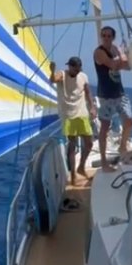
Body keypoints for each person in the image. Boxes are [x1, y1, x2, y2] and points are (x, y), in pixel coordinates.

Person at [49, 56, 96, 186]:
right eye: (75, 69)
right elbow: (53, 79)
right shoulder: (62, 75)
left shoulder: (83, 76)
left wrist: (92, 107)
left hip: (82, 113)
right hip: (68, 115)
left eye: (78, 69)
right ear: (69, 66)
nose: (77, 72)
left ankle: (81, 167)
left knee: (89, 143)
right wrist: (52, 71)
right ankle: (74, 174)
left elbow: (88, 93)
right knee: (72, 145)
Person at [93, 26, 132, 169]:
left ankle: (122, 147)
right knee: (105, 127)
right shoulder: (99, 52)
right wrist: (123, 59)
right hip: (106, 95)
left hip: (119, 92)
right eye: (104, 35)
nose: (106, 38)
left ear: (113, 37)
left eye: (109, 35)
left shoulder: (115, 49)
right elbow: (113, 64)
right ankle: (104, 161)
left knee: (129, 121)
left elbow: (127, 66)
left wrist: (125, 61)